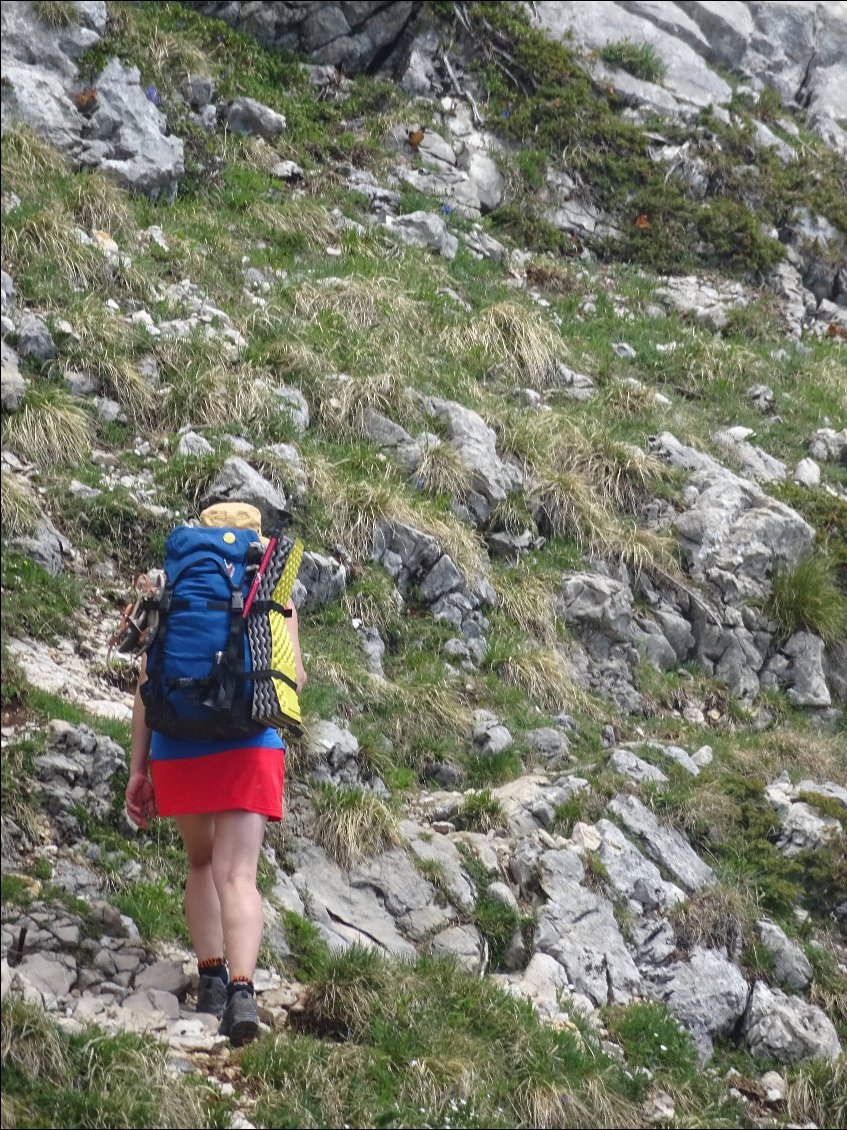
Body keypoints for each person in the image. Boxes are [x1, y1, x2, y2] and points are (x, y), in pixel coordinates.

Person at [124, 504, 306, 1046]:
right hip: (249, 742)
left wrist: (139, 769)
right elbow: (292, 675)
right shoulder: (271, 589)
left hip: (179, 743)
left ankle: (210, 981)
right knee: (238, 876)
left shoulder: (171, 586)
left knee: (201, 863)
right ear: (255, 539)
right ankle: (244, 992)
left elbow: (145, 681)